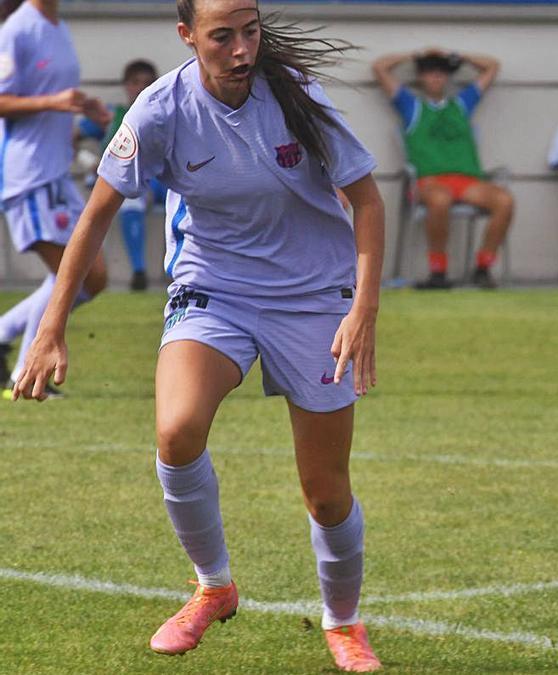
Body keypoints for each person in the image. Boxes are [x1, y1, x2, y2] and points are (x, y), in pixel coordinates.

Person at [12, 0, 386, 671]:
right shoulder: (160, 110)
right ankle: (213, 585)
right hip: (215, 289)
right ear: (187, 36)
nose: (242, 50)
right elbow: (96, 215)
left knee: (325, 490)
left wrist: (362, 311)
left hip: (311, 298)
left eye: (250, 31)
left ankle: (344, 622)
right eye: (222, 37)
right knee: (177, 429)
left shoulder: (296, 94)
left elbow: (367, 201)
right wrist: (49, 329)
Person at [0, 0, 110, 398]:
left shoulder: (57, 26)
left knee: (92, 276)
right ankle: (25, 375)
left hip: (57, 172)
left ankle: (3, 338)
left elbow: (56, 95)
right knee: (72, 271)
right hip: (28, 176)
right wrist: (53, 103)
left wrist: (83, 108)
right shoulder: (17, 30)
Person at [372, 47, 511, 290]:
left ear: (447, 77)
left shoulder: (461, 104)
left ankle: (483, 268)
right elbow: (379, 68)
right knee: (440, 200)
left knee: (504, 201)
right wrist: (414, 55)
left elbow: (493, 66)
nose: (436, 77)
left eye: (441, 72)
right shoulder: (411, 106)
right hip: (430, 181)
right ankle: (438, 272)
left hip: (466, 181)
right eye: (429, 72)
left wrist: (457, 55)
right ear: (421, 77)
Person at [79, 58, 160, 291]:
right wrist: (87, 160)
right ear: (126, 85)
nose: (141, 88)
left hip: (162, 183)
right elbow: (72, 135)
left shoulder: (165, 113)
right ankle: (139, 271)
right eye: (135, 82)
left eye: (147, 83)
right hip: (134, 183)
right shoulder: (114, 116)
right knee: (130, 201)